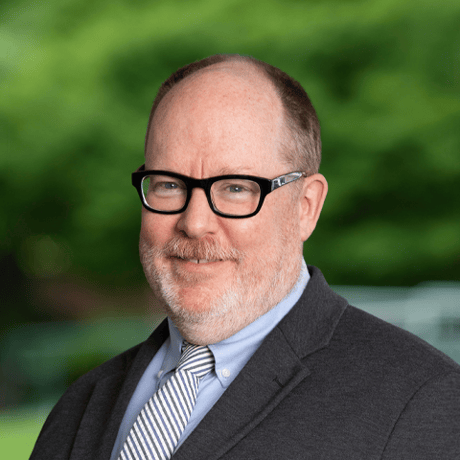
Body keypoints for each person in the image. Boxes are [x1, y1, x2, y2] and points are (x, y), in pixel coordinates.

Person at [30, 54, 460, 460]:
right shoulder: (79, 409)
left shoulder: (422, 403)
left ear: (306, 207)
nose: (194, 222)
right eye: (169, 185)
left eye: (236, 188)